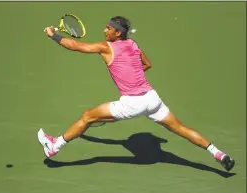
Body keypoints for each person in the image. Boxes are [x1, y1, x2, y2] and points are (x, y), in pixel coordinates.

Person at [38, 16, 235, 171]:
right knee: (181, 129)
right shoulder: (132, 43)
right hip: (152, 99)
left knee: (87, 116)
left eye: (108, 28)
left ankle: (55, 146)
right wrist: (131, 75)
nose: (104, 30)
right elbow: (147, 65)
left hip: (133, 103)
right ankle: (219, 154)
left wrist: (53, 35)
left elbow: (76, 46)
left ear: (117, 32)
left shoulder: (105, 47)